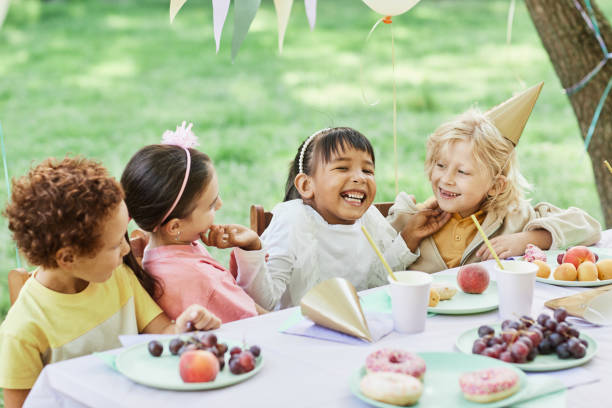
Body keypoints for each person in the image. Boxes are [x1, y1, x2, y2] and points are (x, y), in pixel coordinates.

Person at [0, 156, 220, 408]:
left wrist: (185, 327)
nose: (127, 249)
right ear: (68, 258)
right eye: (115, 244)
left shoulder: (118, 277)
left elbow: (164, 333)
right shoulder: (21, 333)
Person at [388, 83, 601, 273]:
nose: (446, 179)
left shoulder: (515, 219)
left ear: (495, 186)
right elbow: (374, 276)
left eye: (462, 172)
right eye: (440, 165)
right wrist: (408, 238)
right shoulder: (411, 221)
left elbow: (588, 227)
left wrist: (530, 239)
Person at [232, 127, 450, 310]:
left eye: (367, 170)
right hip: (300, 336)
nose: (359, 178)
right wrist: (252, 249)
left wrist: (409, 237)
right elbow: (264, 303)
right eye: (342, 168)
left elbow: (378, 283)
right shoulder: (293, 220)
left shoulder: (369, 218)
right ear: (307, 185)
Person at [121, 122, 264, 324]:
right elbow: (261, 322)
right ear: (175, 227)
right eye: (212, 204)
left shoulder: (162, 254)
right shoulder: (197, 278)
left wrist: (249, 247)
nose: (220, 204)